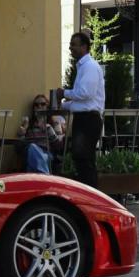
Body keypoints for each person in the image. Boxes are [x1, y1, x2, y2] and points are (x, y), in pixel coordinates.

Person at [56, 32, 105, 188]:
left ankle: (91, 197)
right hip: (84, 118)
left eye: (74, 44)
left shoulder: (89, 66)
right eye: (71, 44)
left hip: (88, 120)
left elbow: (85, 93)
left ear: (84, 47)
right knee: (83, 159)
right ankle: (90, 195)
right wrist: (61, 105)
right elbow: (81, 101)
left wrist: (64, 93)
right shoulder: (84, 66)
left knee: (83, 159)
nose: (71, 48)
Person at [16, 94, 64, 174]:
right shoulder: (28, 123)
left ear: (47, 107)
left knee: (33, 161)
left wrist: (49, 130)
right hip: (30, 152)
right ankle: (45, 177)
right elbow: (18, 149)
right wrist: (21, 135)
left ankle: (40, 178)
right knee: (32, 148)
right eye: (36, 105)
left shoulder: (54, 122)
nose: (39, 106)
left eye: (43, 104)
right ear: (33, 108)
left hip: (47, 153)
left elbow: (59, 146)